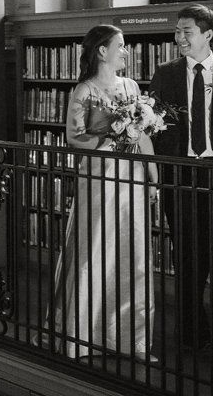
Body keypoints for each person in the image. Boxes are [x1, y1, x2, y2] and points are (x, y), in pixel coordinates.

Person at [45, 24, 159, 360]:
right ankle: (80, 334)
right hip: (99, 175)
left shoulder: (131, 86)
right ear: (102, 51)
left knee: (133, 253)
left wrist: (153, 174)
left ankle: (132, 340)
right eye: (121, 46)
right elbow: (73, 138)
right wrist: (113, 137)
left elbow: (141, 134)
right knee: (93, 249)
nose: (125, 52)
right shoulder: (84, 91)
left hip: (131, 176)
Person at [149, 4, 213, 352]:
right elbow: (153, 124)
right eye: (177, 31)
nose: (179, 37)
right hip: (177, 172)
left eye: (186, 31)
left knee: (204, 251)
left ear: (207, 35)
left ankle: (192, 323)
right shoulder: (166, 73)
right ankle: (194, 326)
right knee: (183, 248)